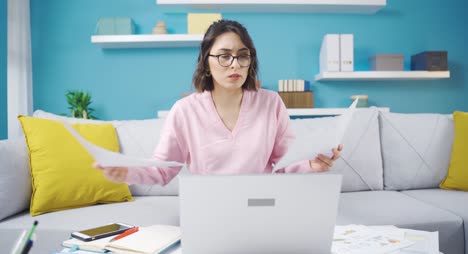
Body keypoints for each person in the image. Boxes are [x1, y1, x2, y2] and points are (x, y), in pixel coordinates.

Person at [95, 19, 343, 185]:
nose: (235, 64)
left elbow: (284, 163)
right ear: (206, 61)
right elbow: (163, 169)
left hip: (263, 202)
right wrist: (125, 172)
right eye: (224, 56)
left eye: (242, 56)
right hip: (207, 207)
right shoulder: (185, 111)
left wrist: (312, 165)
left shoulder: (271, 103)